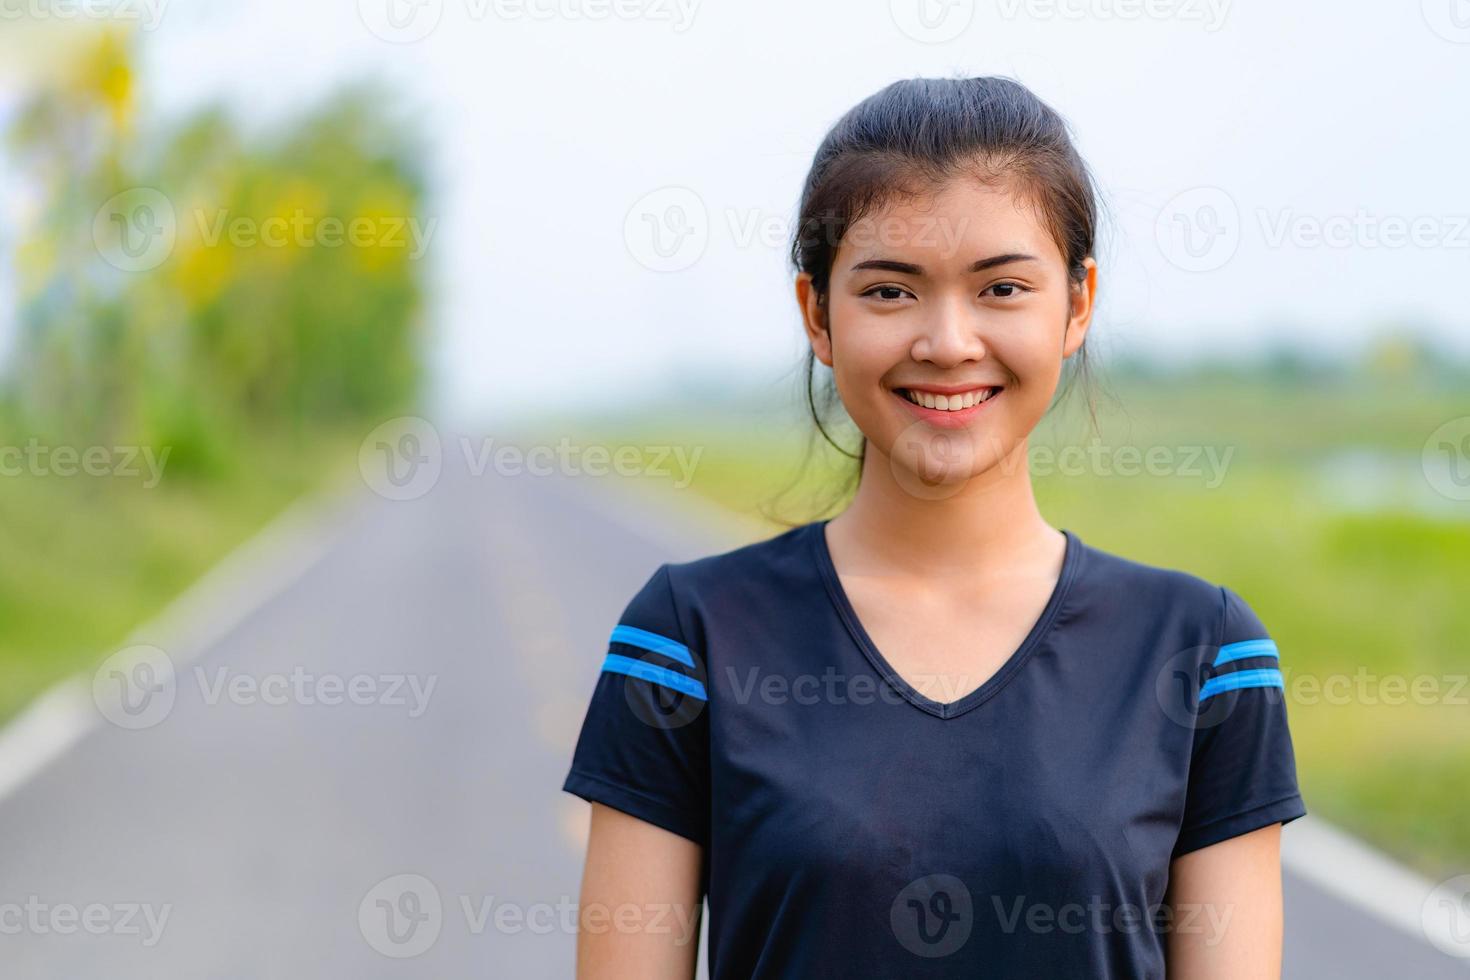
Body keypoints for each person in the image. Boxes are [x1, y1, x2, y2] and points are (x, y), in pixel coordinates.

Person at [562, 75, 1306, 978]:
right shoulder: (688, 636)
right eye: (889, 291)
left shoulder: (1204, 654)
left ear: (1076, 305)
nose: (948, 341)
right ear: (818, 316)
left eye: (1000, 288)